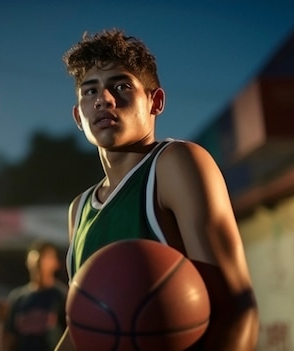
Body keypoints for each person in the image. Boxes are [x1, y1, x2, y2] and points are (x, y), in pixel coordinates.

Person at [55, 29, 259, 351]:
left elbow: (236, 309)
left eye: (121, 86)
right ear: (79, 116)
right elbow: (83, 327)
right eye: (89, 92)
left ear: (156, 101)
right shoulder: (78, 210)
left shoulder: (175, 164)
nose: (104, 100)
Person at [3, 240, 68, 351]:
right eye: (36, 254)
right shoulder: (17, 298)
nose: (39, 259)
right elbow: (10, 336)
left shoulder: (62, 295)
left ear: (56, 263)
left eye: (45, 255)